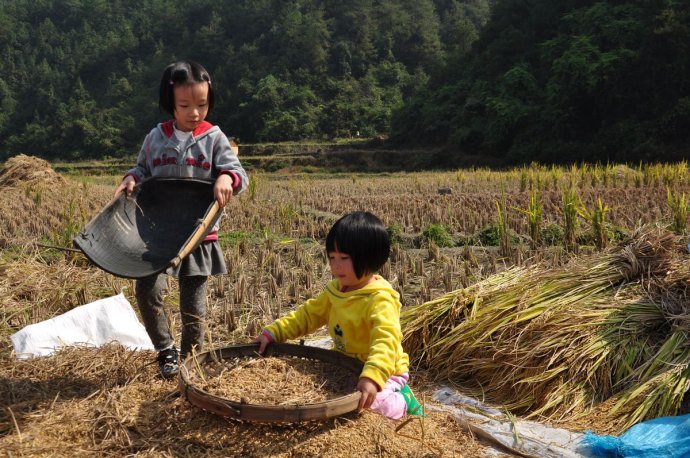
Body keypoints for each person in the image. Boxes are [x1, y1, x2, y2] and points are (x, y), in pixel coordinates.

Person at [115, 60, 248, 379]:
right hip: (158, 235)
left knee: (193, 308)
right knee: (147, 291)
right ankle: (166, 350)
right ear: (170, 103)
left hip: (197, 235)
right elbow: (142, 169)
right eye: (185, 105)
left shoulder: (214, 138)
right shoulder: (155, 138)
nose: (194, 113)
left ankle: (190, 358)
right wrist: (131, 178)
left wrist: (226, 179)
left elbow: (239, 172)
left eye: (202, 105)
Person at [255, 211, 421, 420]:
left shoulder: (379, 300)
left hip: (383, 372)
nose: (336, 265)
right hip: (344, 365)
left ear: (369, 259)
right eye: (332, 257)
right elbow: (308, 315)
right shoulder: (336, 291)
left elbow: (385, 341)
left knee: (369, 406)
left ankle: (404, 400)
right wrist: (274, 332)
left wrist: (372, 377)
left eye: (344, 258)